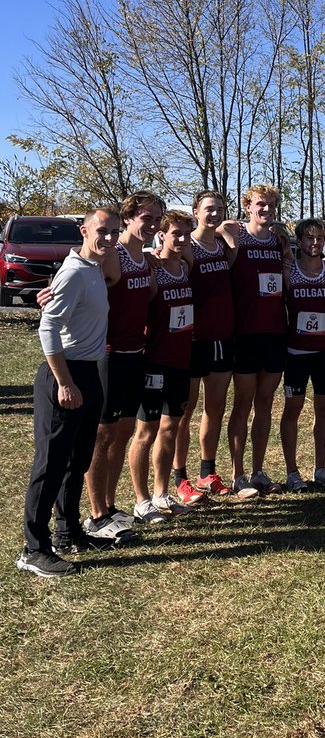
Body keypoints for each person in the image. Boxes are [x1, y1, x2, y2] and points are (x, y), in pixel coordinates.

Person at [18, 208, 123, 576]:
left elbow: (109, 275)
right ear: (84, 231)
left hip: (89, 371)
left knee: (77, 460)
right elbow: (48, 329)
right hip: (65, 375)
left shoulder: (93, 268)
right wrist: (64, 383)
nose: (109, 238)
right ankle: (34, 549)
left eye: (115, 232)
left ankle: (68, 532)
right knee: (50, 464)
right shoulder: (74, 272)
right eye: (102, 231)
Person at [85, 191, 164, 531]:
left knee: (123, 432)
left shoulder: (145, 257)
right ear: (128, 218)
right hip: (108, 354)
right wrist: (51, 293)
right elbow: (78, 272)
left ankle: (110, 505)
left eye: (157, 219)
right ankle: (96, 514)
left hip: (135, 354)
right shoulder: (111, 253)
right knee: (102, 435)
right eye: (146, 218)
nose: (153, 225)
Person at [224, 184, 291, 497]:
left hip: (275, 332)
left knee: (265, 403)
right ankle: (238, 475)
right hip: (245, 333)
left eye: (271, 205)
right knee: (243, 403)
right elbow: (218, 227)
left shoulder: (278, 240)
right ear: (248, 207)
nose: (266, 210)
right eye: (260, 204)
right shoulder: (236, 235)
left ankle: (258, 471)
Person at [128, 210, 196, 516]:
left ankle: (161, 493)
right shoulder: (152, 269)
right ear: (161, 235)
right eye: (175, 234)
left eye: (186, 234)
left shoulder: (185, 267)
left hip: (181, 361)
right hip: (154, 362)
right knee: (146, 431)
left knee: (171, 428)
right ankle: (141, 500)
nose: (182, 239)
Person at [172, 190, 236, 502]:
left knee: (215, 408)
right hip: (193, 339)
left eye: (220, 209)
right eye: (209, 209)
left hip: (221, 337)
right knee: (184, 410)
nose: (214, 214)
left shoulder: (223, 245)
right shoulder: (187, 246)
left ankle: (207, 472)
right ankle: (180, 477)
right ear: (196, 211)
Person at [280, 218, 325, 489]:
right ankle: (292, 472)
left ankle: (320, 468)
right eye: (309, 237)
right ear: (300, 240)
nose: (315, 243)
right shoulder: (288, 270)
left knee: (324, 409)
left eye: (319, 238)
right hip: (296, 352)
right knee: (292, 409)